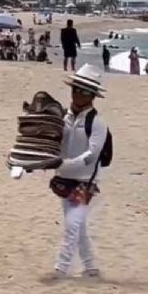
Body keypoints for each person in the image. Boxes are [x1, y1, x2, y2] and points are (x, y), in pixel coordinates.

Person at [47, 64, 110, 280]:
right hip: (63, 181)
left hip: (85, 183)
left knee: (72, 225)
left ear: (92, 96)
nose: (78, 94)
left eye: (84, 91)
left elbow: (92, 154)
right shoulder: (63, 118)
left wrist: (63, 164)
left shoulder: (97, 123)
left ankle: (61, 269)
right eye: (76, 89)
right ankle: (91, 267)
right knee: (78, 226)